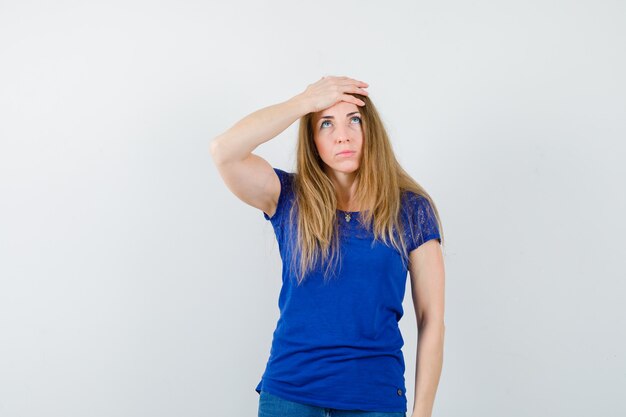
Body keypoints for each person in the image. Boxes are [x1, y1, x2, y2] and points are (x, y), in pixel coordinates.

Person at [210, 76, 446, 417]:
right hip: (289, 395)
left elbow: (432, 320)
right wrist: (303, 103)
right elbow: (224, 150)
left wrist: (422, 415)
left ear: (370, 131)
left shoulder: (410, 209)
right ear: (313, 140)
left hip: (375, 398)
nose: (342, 135)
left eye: (354, 120)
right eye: (325, 124)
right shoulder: (289, 197)